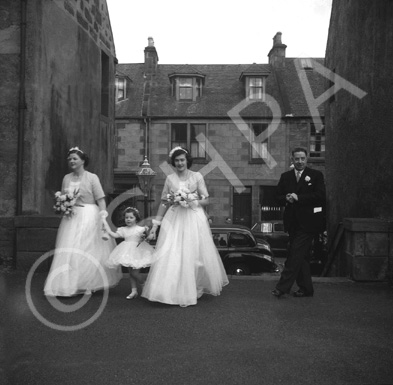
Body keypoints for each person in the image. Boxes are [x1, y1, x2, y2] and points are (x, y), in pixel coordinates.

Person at [141, 146, 229, 307]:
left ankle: (192, 288)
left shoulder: (196, 177)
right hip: (174, 218)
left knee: (192, 254)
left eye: (182, 160)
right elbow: (163, 202)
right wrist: (156, 224)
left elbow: (206, 199)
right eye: (176, 160)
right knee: (172, 252)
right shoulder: (170, 179)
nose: (180, 163)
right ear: (173, 162)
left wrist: (192, 200)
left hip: (193, 219)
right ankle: (170, 290)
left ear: (187, 161)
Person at [44, 147, 122, 297]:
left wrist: (103, 216)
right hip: (71, 217)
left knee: (87, 248)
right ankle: (68, 283)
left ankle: (88, 284)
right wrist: (63, 205)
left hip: (89, 215)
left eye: (74, 159)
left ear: (83, 161)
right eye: (69, 159)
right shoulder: (66, 178)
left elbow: (100, 199)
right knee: (69, 249)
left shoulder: (92, 177)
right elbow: (63, 195)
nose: (71, 161)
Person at [271, 147, 326, 298]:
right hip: (292, 223)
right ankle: (306, 289)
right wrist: (286, 198)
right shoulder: (285, 176)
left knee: (294, 254)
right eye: (297, 159)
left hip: (309, 224)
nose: (300, 161)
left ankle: (282, 288)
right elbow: (276, 197)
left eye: (302, 158)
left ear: (306, 159)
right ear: (292, 160)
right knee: (301, 256)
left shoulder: (316, 175)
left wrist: (299, 198)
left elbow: (320, 196)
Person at [103, 207, 154, 300]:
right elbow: (114, 235)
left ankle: (144, 284)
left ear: (136, 218)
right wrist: (106, 225)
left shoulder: (140, 229)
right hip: (126, 251)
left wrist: (146, 234)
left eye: (131, 217)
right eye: (127, 217)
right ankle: (133, 291)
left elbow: (148, 237)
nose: (128, 219)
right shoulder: (123, 229)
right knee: (131, 272)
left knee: (135, 273)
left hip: (138, 251)